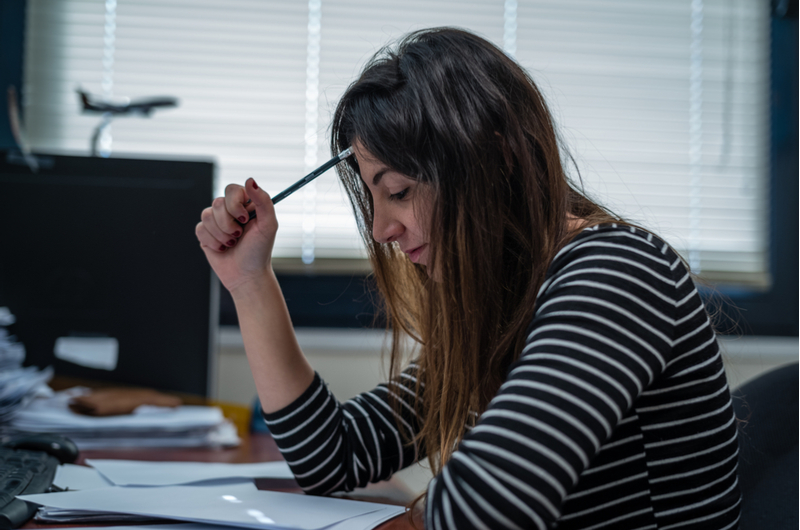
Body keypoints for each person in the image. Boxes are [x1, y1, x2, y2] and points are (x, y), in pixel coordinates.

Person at [195, 28, 741, 530]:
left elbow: (486, 507)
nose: (383, 228)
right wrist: (249, 281)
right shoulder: (509, 303)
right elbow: (334, 455)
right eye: (375, 198)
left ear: (496, 156)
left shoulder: (616, 271)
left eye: (400, 192)